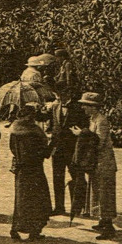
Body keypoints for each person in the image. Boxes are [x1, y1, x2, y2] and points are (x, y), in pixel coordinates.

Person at [70, 92, 118, 240]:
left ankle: (108, 227)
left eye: (86, 105)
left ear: (93, 107)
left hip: (104, 163)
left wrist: (82, 134)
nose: (83, 107)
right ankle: (103, 221)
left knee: (105, 195)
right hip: (96, 163)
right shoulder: (93, 119)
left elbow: (100, 142)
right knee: (97, 193)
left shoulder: (101, 121)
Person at [8, 104, 51, 241]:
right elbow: (44, 153)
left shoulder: (14, 129)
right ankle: (34, 230)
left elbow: (12, 149)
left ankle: (16, 229)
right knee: (37, 200)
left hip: (21, 168)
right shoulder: (35, 131)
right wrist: (53, 142)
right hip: (35, 168)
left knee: (21, 200)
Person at [46, 83, 88, 217]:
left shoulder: (78, 108)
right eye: (58, 95)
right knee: (57, 178)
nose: (59, 97)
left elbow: (85, 128)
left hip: (73, 149)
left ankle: (78, 207)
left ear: (69, 94)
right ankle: (59, 207)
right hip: (57, 149)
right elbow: (53, 126)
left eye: (62, 94)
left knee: (77, 177)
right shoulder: (55, 106)